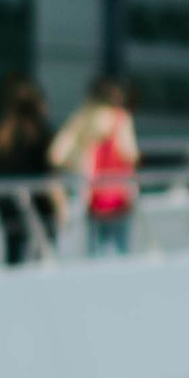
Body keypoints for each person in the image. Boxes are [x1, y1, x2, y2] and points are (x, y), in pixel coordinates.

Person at [49, 76, 140, 254]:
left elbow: (57, 154)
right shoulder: (120, 119)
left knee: (92, 249)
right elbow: (129, 154)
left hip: (89, 191)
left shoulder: (82, 117)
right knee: (122, 250)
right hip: (118, 191)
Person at [0, 79, 60, 266]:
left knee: (13, 255)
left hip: (9, 202)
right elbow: (49, 170)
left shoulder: (3, 133)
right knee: (43, 257)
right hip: (38, 203)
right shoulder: (41, 133)